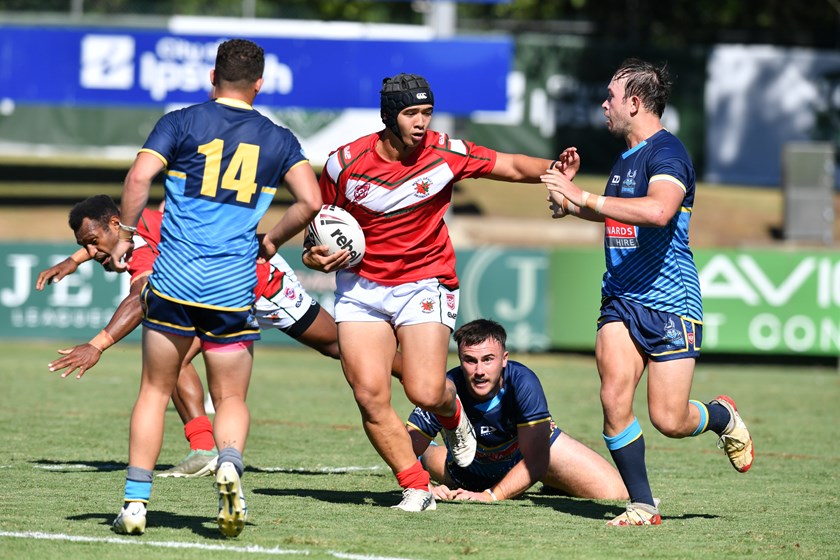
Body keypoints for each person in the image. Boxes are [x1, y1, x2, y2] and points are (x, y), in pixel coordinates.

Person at [302, 73, 575, 512]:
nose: (421, 122)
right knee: (369, 394)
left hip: (423, 281)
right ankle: (415, 486)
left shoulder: (447, 151)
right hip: (361, 287)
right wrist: (314, 258)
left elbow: (508, 165)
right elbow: (318, 228)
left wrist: (553, 171)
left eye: (426, 113)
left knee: (426, 392)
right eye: (412, 113)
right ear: (389, 116)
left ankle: (453, 418)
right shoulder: (343, 163)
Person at [103, 39, 322, 537]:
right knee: (230, 398)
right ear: (259, 84)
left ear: (212, 77)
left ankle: (135, 505)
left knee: (154, 391)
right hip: (231, 288)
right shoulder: (279, 138)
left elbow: (139, 177)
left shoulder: (180, 121)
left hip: (175, 282)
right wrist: (272, 239)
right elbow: (310, 200)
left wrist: (128, 234)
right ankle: (228, 464)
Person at [541, 58, 754, 526]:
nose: (604, 105)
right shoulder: (625, 159)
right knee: (614, 398)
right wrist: (571, 202)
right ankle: (642, 505)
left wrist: (587, 199)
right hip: (620, 298)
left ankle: (719, 417)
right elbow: (617, 212)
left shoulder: (669, 155)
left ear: (634, 103)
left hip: (671, 304)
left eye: (611, 98)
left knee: (669, 419)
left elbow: (658, 211)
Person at [35, 194, 343, 479]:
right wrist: (74, 260)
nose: (92, 251)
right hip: (221, 293)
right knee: (170, 357)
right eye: (85, 245)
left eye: (91, 242)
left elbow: (139, 299)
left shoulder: (137, 246)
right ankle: (203, 449)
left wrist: (96, 345)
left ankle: (388, 364)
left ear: (116, 224)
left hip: (261, 284)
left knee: (341, 347)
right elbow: (109, 239)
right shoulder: (132, 224)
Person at [406, 319, 628, 504]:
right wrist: (422, 485)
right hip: (465, 470)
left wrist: (491, 496)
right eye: (470, 361)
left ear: (504, 359)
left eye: (488, 359)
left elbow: (538, 457)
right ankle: (431, 452)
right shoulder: (447, 387)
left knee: (614, 493)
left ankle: (549, 479)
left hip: (528, 462)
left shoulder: (523, 382)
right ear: (461, 360)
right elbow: (403, 446)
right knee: (422, 454)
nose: (479, 371)